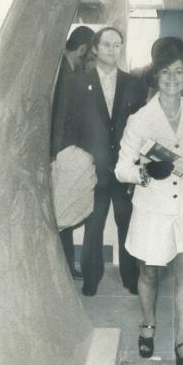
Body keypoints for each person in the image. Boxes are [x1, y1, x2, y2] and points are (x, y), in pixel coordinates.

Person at [115, 37, 183, 365]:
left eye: (179, 71)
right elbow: (121, 168)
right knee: (149, 273)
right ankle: (148, 324)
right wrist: (142, 172)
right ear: (156, 76)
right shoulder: (140, 119)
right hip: (151, 206)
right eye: (165, 72)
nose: (172, 78)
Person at [71, 26, 146, 296]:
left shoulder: (134, 83)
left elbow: (141, 127)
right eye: (106, 45)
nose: (112, 50)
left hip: (124, 166)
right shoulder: (80, 83)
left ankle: (130, 277)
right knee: (94, 225)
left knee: (127, 221)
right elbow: (73, 126)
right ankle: (91, 279)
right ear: (95, 47)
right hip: (94, 166)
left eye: (117, 45)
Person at [50, 25, 94, 278]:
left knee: (62, 211)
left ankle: (66, 267)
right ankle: (63, 267)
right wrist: (55, 156)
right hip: (62, 152)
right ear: (83, 49)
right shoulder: (65, 73)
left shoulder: (67, 68)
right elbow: (60, 116)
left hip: (64, 151)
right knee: (61, 213)